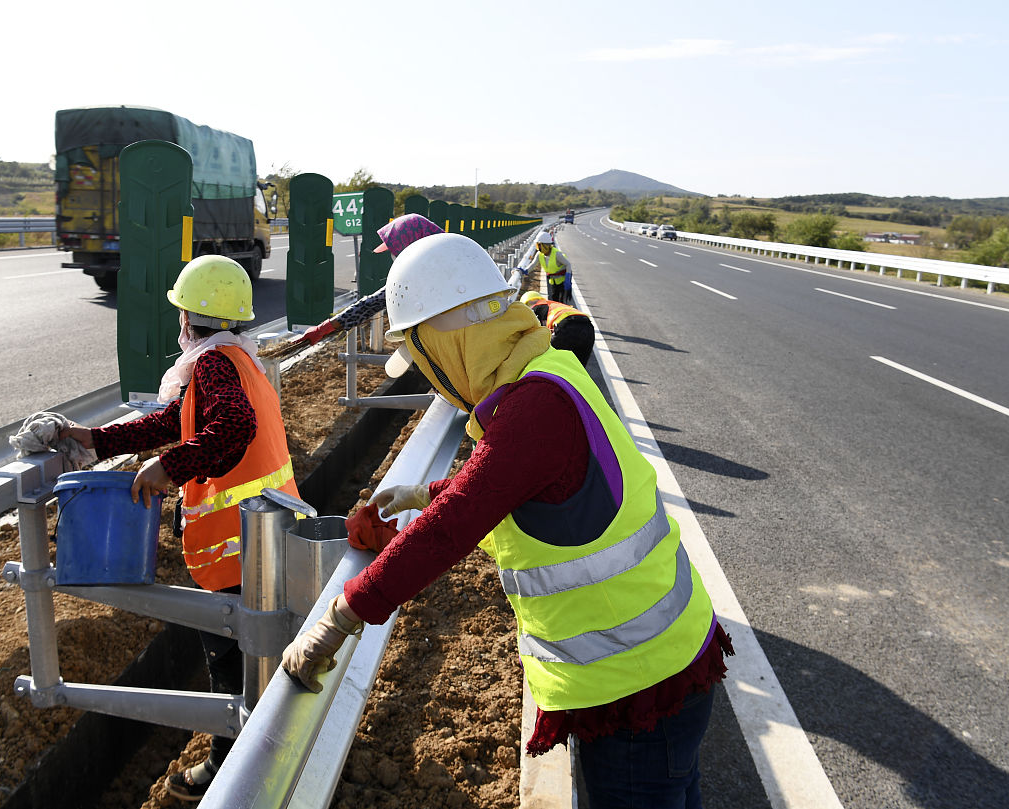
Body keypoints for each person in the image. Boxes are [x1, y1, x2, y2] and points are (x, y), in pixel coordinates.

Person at [281, 233, 732, 808]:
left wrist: (339, 618)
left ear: (448, 342)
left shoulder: (532, 408)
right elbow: (521, 483)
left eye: (425, 358)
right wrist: (428, 490)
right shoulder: (547, 367)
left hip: (636, 684)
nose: (433, 377)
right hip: (662, 658)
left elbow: (452, 527)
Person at [61, 254, 299, 802]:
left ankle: (229, 766)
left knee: (231, 661)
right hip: (263, 536)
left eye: (181, 313)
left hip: (236, 548)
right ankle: (260, 747)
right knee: (252, 654)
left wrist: (169, 468)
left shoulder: (214, 366)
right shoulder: (236, 360)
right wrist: (97, 439)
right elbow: (175, 421)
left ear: (190, 318)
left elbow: (232, 427)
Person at [268, 214, 445, 356]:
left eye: (396, 251)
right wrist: (324, 328)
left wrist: (324, 328)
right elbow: (372, 303)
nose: (394, 257)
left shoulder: (438, 272)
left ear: (412, 244)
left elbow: (373, 303)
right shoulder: (425, 268)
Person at [519, 290, 595, 367]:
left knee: (548, 362)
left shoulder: (535, 309)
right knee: (578, 367)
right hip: (588, 327)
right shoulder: (553, 305)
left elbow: (530, 333)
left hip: (566, 327)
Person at [533, 229, 572, 303]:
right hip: (553, 281)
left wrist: (568, 279)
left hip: (563, 281)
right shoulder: (539, 255)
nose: (538, 248)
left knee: (562, 302)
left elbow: (568, 264)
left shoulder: (557, 254)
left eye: (539, 246)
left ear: (545, 245)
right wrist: (523, 270)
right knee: (554, 300)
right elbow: (532, 265)